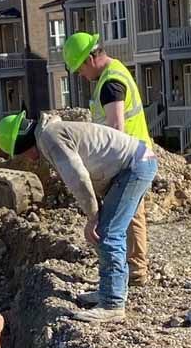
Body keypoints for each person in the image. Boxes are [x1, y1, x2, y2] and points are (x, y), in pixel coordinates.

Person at [0, 111, 157, 324]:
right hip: (135, 164)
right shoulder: (52, 133)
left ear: (21, 143)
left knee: (108, 234)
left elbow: (78, 178)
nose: (27, 158)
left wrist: (93, 217)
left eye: (21, 153)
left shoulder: (51, 138)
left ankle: (113, 304)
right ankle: (109, 290)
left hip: (134, 167)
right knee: (107, 231)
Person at [62, 31, 152, 299]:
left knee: (122, 218)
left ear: (91, 57)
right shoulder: (114, 73)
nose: (80, 74)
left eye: (80, 68)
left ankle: (132, 273)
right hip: (137, 156)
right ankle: (134, 270)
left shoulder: (111, 83)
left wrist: (111, 166)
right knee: (132, 215)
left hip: (128, 159)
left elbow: (115, 128)